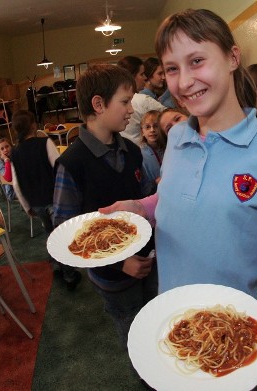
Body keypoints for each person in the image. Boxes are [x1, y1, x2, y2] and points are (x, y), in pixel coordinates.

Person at [100, 8, 257, 344]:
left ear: (232, 57)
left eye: (196, 61)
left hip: (230, 325)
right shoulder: (176, 137)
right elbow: (174, 195)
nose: (185, 81)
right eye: (172, 69)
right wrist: (140, 207)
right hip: (170, 313)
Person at [53, 64, 157, 347]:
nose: (131, 111)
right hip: (113, 275)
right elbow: (66, 232)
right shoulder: (72, 163)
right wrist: (121, 262)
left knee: (157, 322)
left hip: (149, 260)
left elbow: (144, 199)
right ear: (98, 104)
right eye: (125, 102)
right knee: (134, 333)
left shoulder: (134, 152)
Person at [9, 110, 80, 290]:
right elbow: (59, 169)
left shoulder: (14, 153)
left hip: (35, 202)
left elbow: (15, 184)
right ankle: (69, 275)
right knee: (61, 236)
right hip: (53, 199)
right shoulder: (45, 143)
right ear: (33, 125)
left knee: (50, 234)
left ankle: (57, 265)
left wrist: (26, 206)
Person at [118, 56, 166, 146]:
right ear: (131, 76)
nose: (145, 77)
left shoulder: (114, 101)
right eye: (142, 74)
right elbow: (169, 116)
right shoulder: (143, 100)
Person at [139, 110, 166, 195]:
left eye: (156, 126)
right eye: (147, 127)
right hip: (152, 195)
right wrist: (155, 182)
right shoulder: (139, 154)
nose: (152, 130)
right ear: (142, 132)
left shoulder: (169, 148)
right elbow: (141, 186)